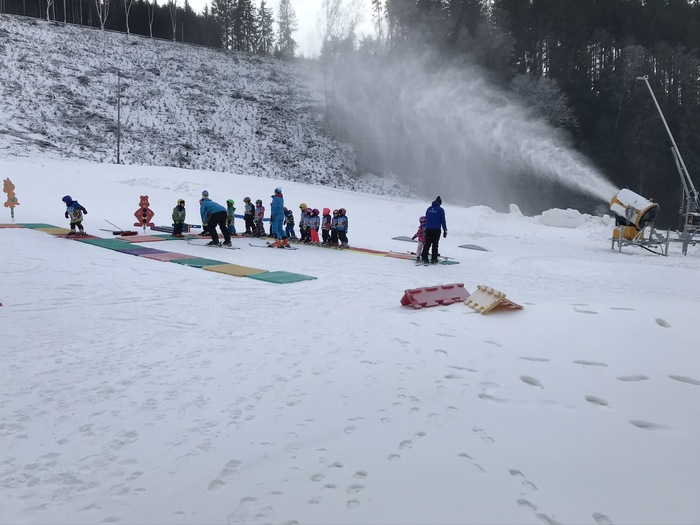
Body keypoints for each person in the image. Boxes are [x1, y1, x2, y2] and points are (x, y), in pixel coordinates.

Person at [421, 196, 447, 265]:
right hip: (436, 230)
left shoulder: (429, 209)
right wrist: (445, 230)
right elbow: (443, 220)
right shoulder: (441, 210)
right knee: (435, 244)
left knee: (427, 243)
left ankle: (424, 257)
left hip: (428, 229)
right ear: (440, 203)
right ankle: (434, 259)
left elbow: (426, 217)